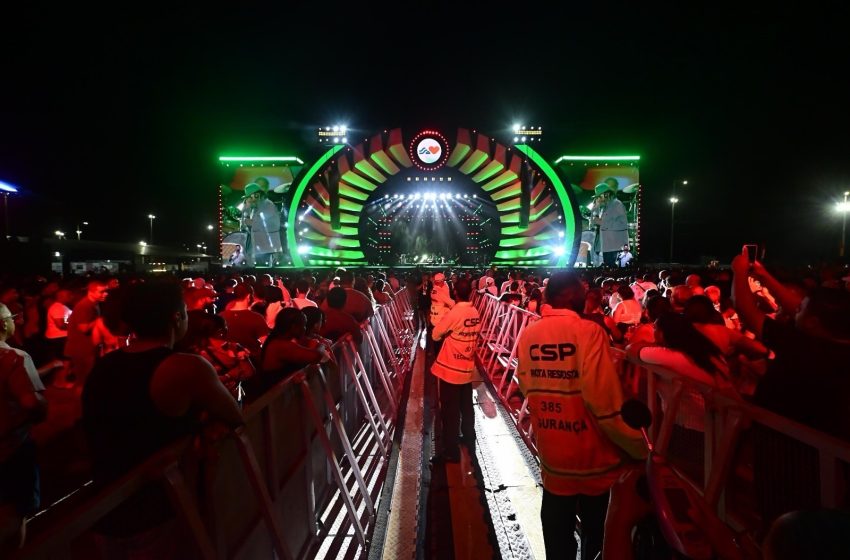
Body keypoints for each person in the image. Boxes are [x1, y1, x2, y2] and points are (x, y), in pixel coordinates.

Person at [81, 283, 243, 557]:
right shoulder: (186, 366)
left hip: (107, 508)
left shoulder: (105, 365)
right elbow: (234, 415)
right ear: (176, 317)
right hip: (160, 509)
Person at [514, 271, 645, 560]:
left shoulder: (531, 333)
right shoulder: (589, 333)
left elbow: (524, 382)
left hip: (552, 455)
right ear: (576, 298)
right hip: (591, 459)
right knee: (596, 535)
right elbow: (603, 401)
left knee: (557, 531)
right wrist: (638, 448)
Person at [0, 303, 47, 553]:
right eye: (12, 317)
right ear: (2, 324)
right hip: (11, 448)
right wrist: (42, 407)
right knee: (15, 512)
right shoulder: (14, 357)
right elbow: (30, 402)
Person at [430, 278, 480, 463]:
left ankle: (451, 451)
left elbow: (435, 335)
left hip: (451, 369)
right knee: (466, 407)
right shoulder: (474, 311)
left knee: (450, 412)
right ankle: (468, 437)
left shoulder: (455, 313)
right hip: (467, 367)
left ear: (455, 292)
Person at [62, 279, 109, 389]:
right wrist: (99, 320)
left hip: (87, 348)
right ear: (91, 292)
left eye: (106, 291)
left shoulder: (94, 304)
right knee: (84, 381)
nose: (106, 294)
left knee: (89, 379)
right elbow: (84, 328)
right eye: (101, 292)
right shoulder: (84, 306)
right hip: (81, 350)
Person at [242, 183, 282, 267]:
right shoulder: (254, 208)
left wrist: (250, 222)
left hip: (269, 250)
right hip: (259, 249)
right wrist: (246, 209)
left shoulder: (268, 205)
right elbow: (246, 225)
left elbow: (266, 225)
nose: (249, 200)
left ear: (257, 195)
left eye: (250, 197)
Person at [591, 179, 629, 266]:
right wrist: (596, 208)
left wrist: (596, 209)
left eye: (599, 196)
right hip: (609, 244)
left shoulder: (616, 205)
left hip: (615, 245)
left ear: (607, 194)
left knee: (611, 267)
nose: (598, 199)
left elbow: (602, 223)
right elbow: (594, 222)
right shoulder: (606, 207)